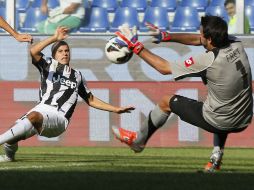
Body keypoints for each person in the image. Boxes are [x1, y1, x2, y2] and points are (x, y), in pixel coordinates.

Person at [112, 16, 253, 172]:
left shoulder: (207, 60)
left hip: (219, 120)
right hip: (244, 118)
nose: (198, 37)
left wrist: (135, 46)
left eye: (201, 34)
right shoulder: (236, 43)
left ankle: (138, 141)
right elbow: (198, 40)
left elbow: (164, 68)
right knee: (222, 102)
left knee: (167, 101)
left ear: (210, 39)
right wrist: (167, 36)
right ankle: (216, 157)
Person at [0, 26, 135, 162]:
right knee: (12, 134)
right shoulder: (47, 65)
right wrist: (54, 38)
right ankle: (9, 157)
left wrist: (116, 109)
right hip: (41, 109)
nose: (64, 54)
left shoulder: (77, 76)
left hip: (59, 117)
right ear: (54, 55)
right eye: (60, 51)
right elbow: (33, 51)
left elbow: (91, 100)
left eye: (67, 51)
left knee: (33, 117)